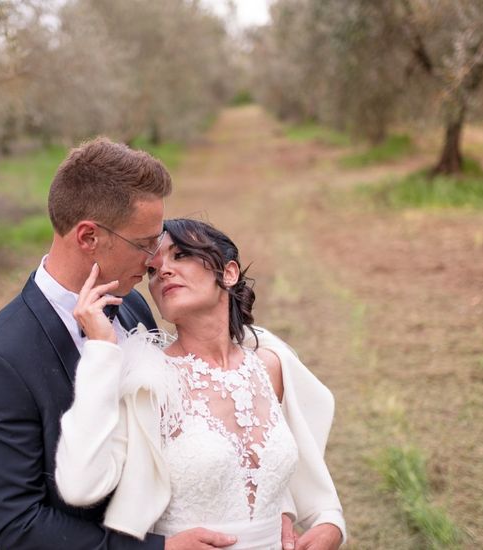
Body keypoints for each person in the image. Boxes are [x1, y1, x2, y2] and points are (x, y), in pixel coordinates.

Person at [0, 139, 248, 549]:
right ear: (88, 237)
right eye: (145, 243)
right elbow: (17, 524)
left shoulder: (131, 305)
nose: (155, 260)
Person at [56, 218, 346, 550]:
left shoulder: (270, 366)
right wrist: (100, 351)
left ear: (229, 273)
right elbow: (80, 486)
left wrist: (330, 524)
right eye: (152, 270)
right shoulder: (148, 380)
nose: (162, 270)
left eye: (180, 255)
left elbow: (303, 482)